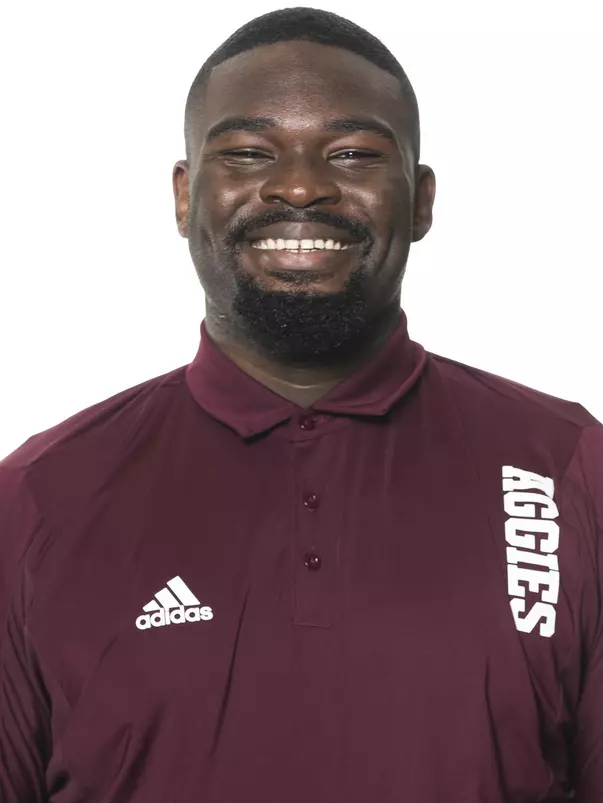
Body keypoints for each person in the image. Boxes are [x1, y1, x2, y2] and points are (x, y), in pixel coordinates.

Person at [0, 6, 601, 802]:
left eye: (351, 153)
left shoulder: (568, 467)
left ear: (420, 200)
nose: (300, 186)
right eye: (249, 152)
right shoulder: (40, 496)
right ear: (184, 196)